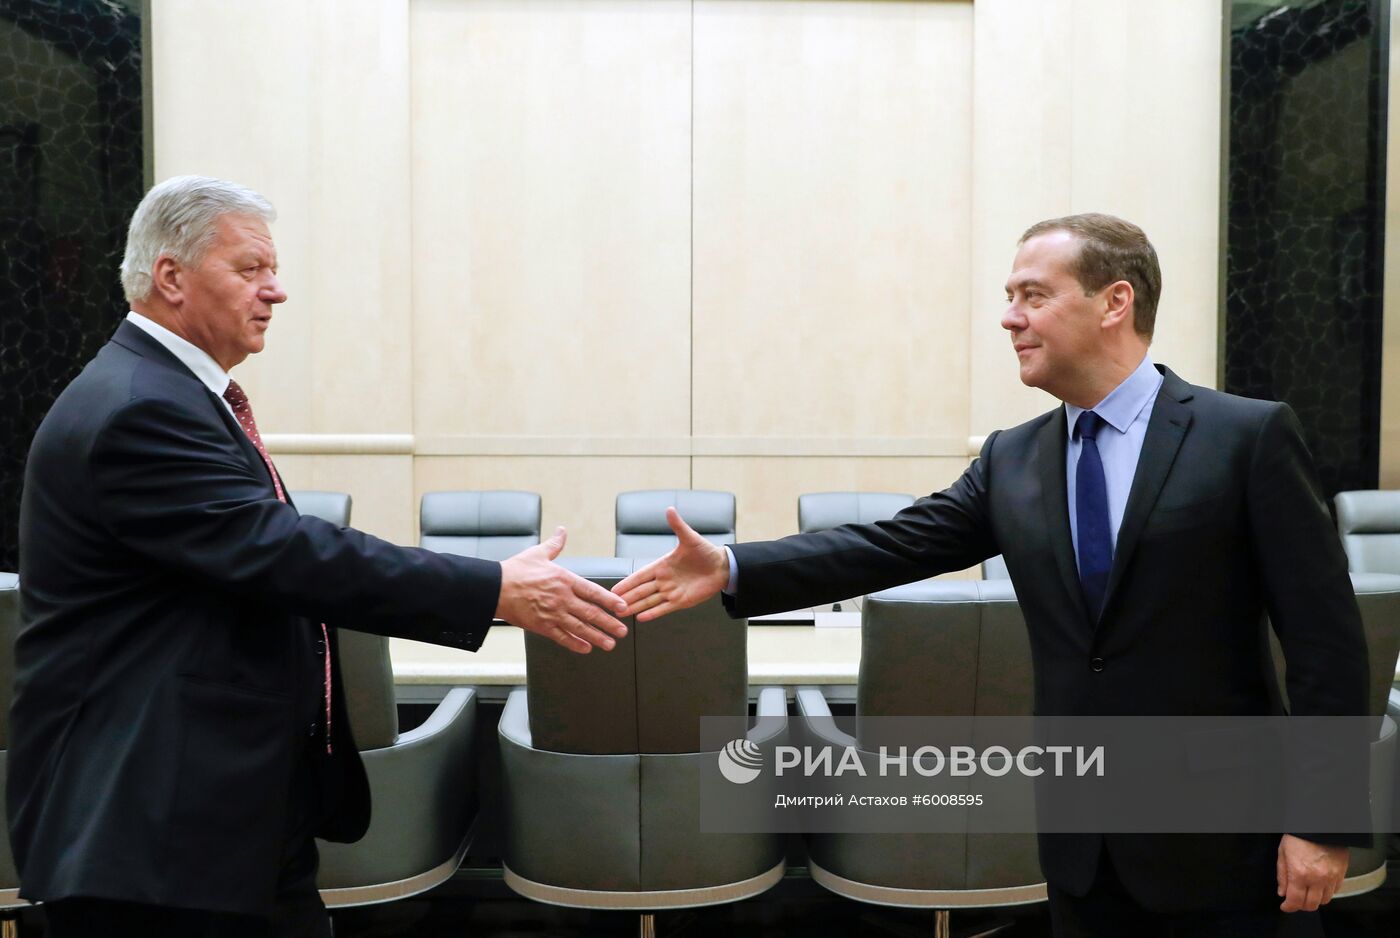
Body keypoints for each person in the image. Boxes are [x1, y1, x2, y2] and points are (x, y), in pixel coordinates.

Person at [614, 213, 1370, 937]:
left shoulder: (1245, 436)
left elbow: (1326, 645)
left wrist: (1320, 820)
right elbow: (893, 544)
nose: (1010, 319)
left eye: (1033, 296)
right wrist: (734, 565)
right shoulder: (1015, 457)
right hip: (1084, 842)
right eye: (1009, 298)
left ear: (1116, 302)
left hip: (1230, 838)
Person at [11, 175, 630, 937]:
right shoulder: (141, 408)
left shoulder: (169, 394)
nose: (275, 292)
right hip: (148, 830)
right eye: (249, 270)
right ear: (170, 276)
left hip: (215, 814)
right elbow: (288, 554)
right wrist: (492, 588)